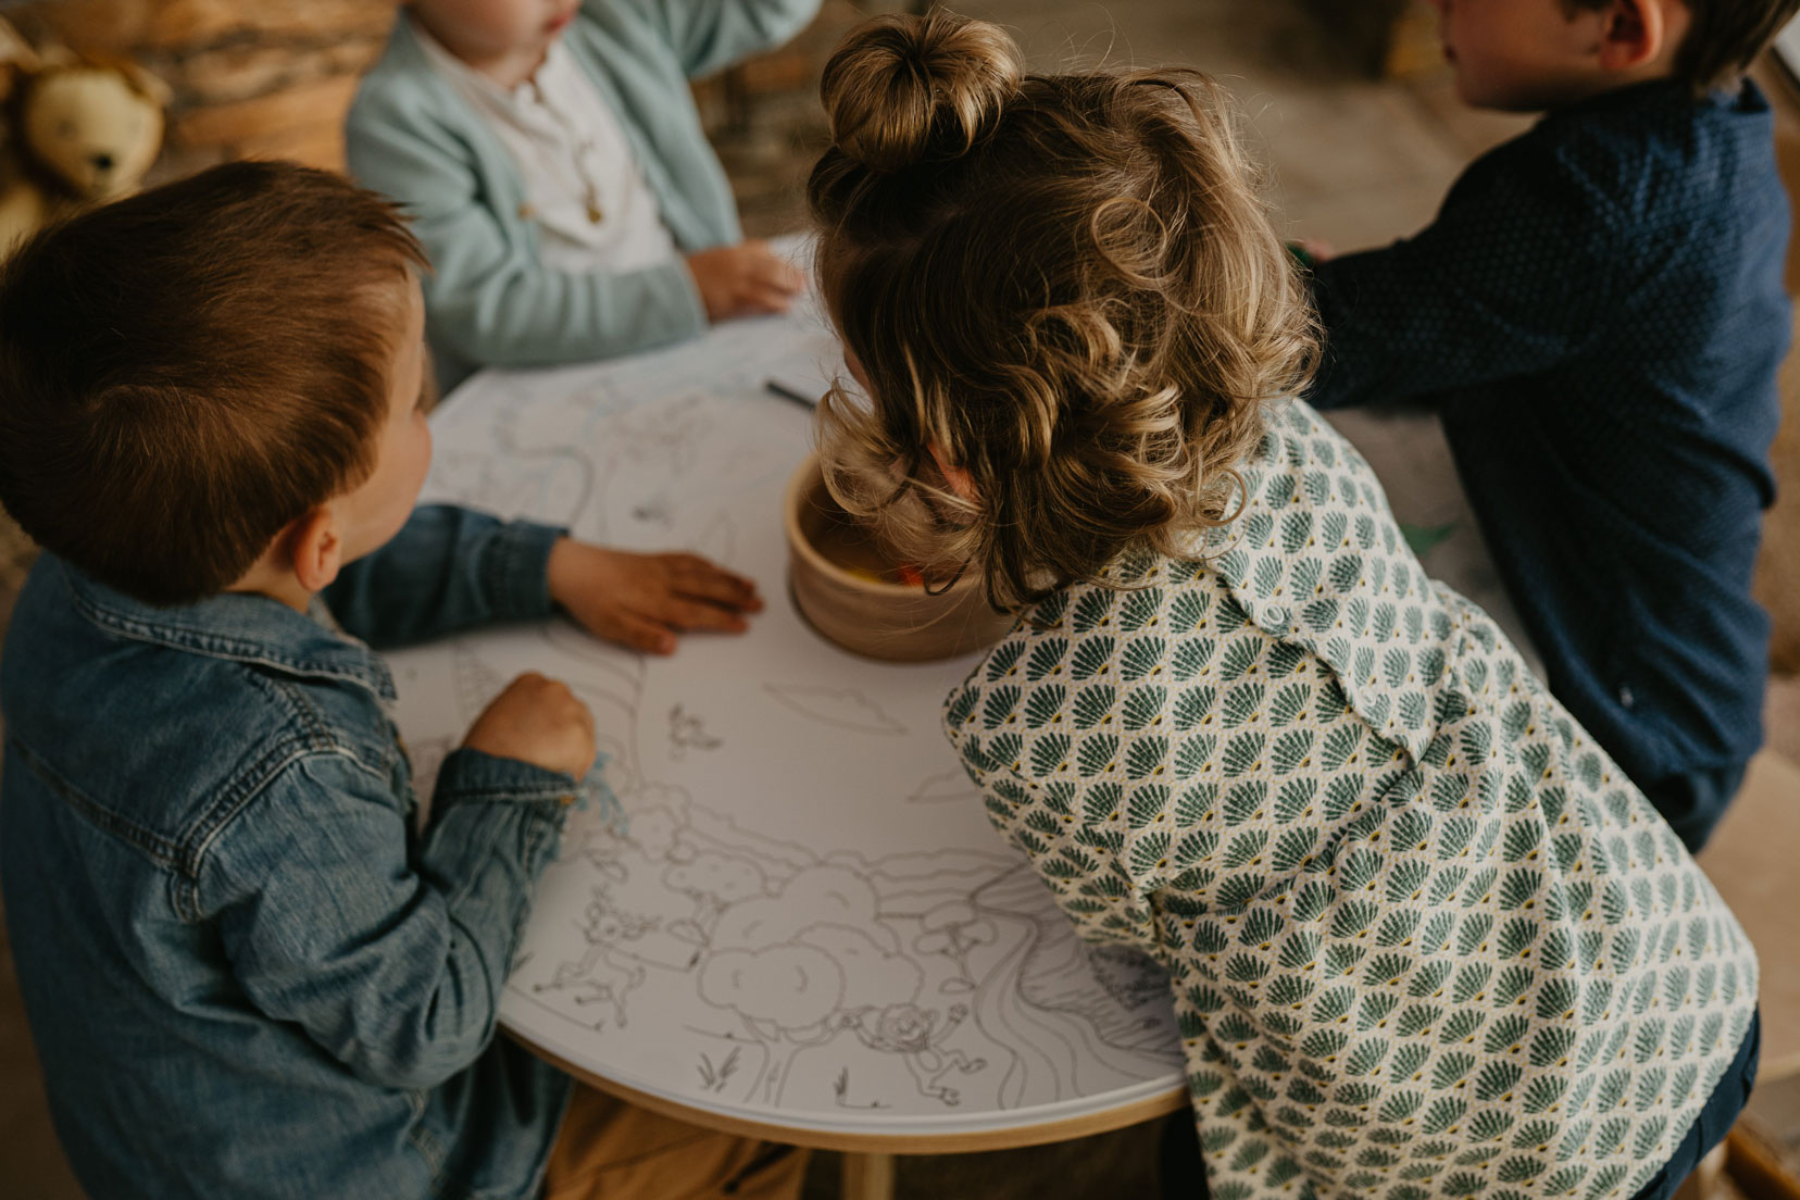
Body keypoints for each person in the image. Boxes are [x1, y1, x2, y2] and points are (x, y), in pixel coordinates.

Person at [805, 13, 1761, 1200]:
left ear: (949, 459)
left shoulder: (1025, 726)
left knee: (1189, 1154)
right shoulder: (1300, 447)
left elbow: (1129, 943)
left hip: (1508, 1160)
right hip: (1675, 979)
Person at [0, 161, 805, 1200]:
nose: (430, 410)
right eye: (418, 401)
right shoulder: (279, 776)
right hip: (375, 1171)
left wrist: (549, 565)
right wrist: (509, 784)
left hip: (155, 1139)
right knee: (736, 1120)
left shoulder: (86, 568)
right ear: (317, 538)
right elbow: (423, 1019)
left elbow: (330, 559)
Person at [1299, 0, 1799, 852]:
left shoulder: (1591, 194)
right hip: (1697, 702)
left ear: (1621, 30)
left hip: (1615, 748)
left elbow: (1314, 341)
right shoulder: (1730, 128)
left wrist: (1315, 296)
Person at [346, 0, 820, 392]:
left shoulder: (611, 18)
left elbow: (763, 11)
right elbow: (483, 307)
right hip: (541, 397)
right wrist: (691, 291)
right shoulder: (397, 119)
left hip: (700, 353)